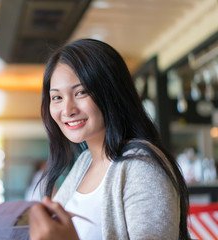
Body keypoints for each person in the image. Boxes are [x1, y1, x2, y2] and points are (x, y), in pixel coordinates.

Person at [28, 39, 190, 240]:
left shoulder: (140, 165)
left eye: (81, 92)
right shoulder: (85, 162)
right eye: (57, 97)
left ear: (111, 91)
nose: (67, 110)